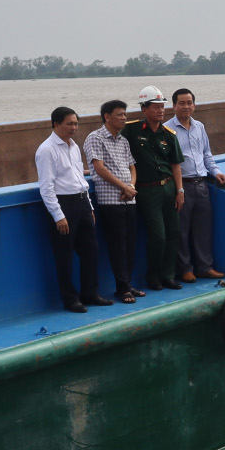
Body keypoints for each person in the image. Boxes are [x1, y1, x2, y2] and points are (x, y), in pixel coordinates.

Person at [37, 106, 108, 312]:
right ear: (56, 124)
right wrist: (58, 215)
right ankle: (70, 299)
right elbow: (47, 187)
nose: (74, 127)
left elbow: (79, 178)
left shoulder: (74, 146)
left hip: (82, 202)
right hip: (63, 204)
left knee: (90, 251)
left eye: (76, 123)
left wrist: (90, 207)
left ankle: (91, 293)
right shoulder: (47, 150)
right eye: (69, 123)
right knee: (64, 255)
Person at [124, 86, 185, 289]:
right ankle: (153, 276)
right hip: (147, 191)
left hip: (168, 187)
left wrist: (180, 191)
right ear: (144, 109)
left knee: (174, 233)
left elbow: (176, 165)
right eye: (156, 107)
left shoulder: (169, 134)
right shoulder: (131, 130)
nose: (161, 111)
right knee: (158, 236)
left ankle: (168, 276)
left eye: (162, 106)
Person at [166, 88, 225, 282]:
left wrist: (216, 172)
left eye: (189, 103)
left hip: (201, 183)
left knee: (203, 228)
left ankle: (204, 267)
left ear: (194, 105)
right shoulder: (167, 130)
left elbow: (206, 154)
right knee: (181, 230)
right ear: (174, 106)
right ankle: (185, 269)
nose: (186, 106)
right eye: (182, 103)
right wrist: (178, 189)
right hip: (181, 185)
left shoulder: (199, 127)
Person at [84, 99, 141, 303]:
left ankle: (128, 284)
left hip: (129, 199)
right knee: (117, 246)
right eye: (120, 114)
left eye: (125, 114)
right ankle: (122, 289)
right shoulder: (95, 138)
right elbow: (99, 169)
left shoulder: (123, 141)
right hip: (111, 200)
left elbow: (132, 166)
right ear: (107, 116)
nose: (124, 118)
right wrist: (123, 187)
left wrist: (131, 187)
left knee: (130, 244)